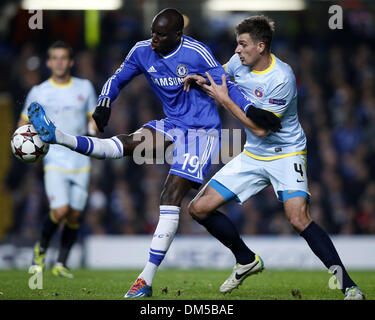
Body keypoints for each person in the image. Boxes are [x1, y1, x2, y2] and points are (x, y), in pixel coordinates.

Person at [27, 8, 280, 298]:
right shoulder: (142, 52)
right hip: (171, 124)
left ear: (177, 35)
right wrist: (104, 104)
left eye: (161, 35)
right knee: (121, 146)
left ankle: (144, 281)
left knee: (169, 196)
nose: (154, 39)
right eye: (152, 33)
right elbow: (117, 78)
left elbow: (227, 86)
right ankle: (58, 137)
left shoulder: (197, 52)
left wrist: (251, 110)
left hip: (202, 132)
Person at [185, 15, 365, 300]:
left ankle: (349, 286)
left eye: (242, 45)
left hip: (286, 153)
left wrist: (224, 99)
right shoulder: (237, 64)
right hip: (253, 155)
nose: (237, 50)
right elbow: (217, 75)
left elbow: (259, 126)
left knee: (298, 218)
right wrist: (197, 79)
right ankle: (246, 259)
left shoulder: (282, 78)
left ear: (260, 46)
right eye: (236, 44)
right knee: (198, 208)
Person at [19, 41, 98, 278]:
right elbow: (23, 124)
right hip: (54, 158)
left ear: (71, 62)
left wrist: (94, 130)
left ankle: (61, 263)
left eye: (64, 57)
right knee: (61, 209)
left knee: (74, 214)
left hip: (81, 159)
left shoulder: (84, 88)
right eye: (55, 58)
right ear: (49, 62)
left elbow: (92, 118)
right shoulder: (39, 91)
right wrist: (24, 145)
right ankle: (40, 251)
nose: (60, 61)